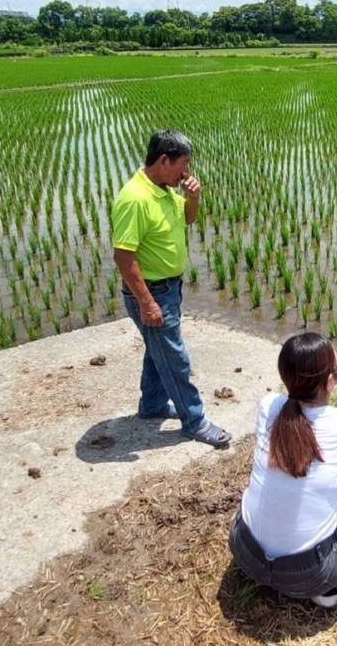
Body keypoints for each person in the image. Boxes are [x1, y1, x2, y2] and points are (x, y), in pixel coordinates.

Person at [229, 332, 337, 608]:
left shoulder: (268, 406)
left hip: (245, 553)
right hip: (308, 575)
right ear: (329, 381)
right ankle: (327, 589)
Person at [111, 129, 231, 449]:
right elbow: (123, 256)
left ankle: (151, 405)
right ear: (164, 160)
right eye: (183, 164)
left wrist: (193, 197)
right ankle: (195, 421)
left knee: (158, 351)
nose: (186, 172)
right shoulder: (135, 198)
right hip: (151, 293)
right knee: (175, 359)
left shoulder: (163, 189)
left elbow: (188, 220)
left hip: (168, 289)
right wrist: (147, 303)